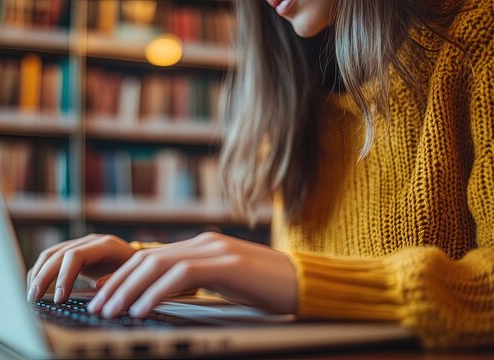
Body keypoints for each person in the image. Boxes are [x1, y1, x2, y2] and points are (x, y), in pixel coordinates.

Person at [26, 0, 493, 349]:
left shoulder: (478, 36)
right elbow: (305, 287)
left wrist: (294, 277)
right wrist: (151, 267)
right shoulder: (298, 100)